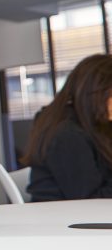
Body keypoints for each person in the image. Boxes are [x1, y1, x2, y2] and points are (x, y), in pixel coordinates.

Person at [22, 54, 112, 201]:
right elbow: (90, 199)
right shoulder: (67, 134)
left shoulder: (92, 124)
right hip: (62, 219)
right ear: (96, 93)